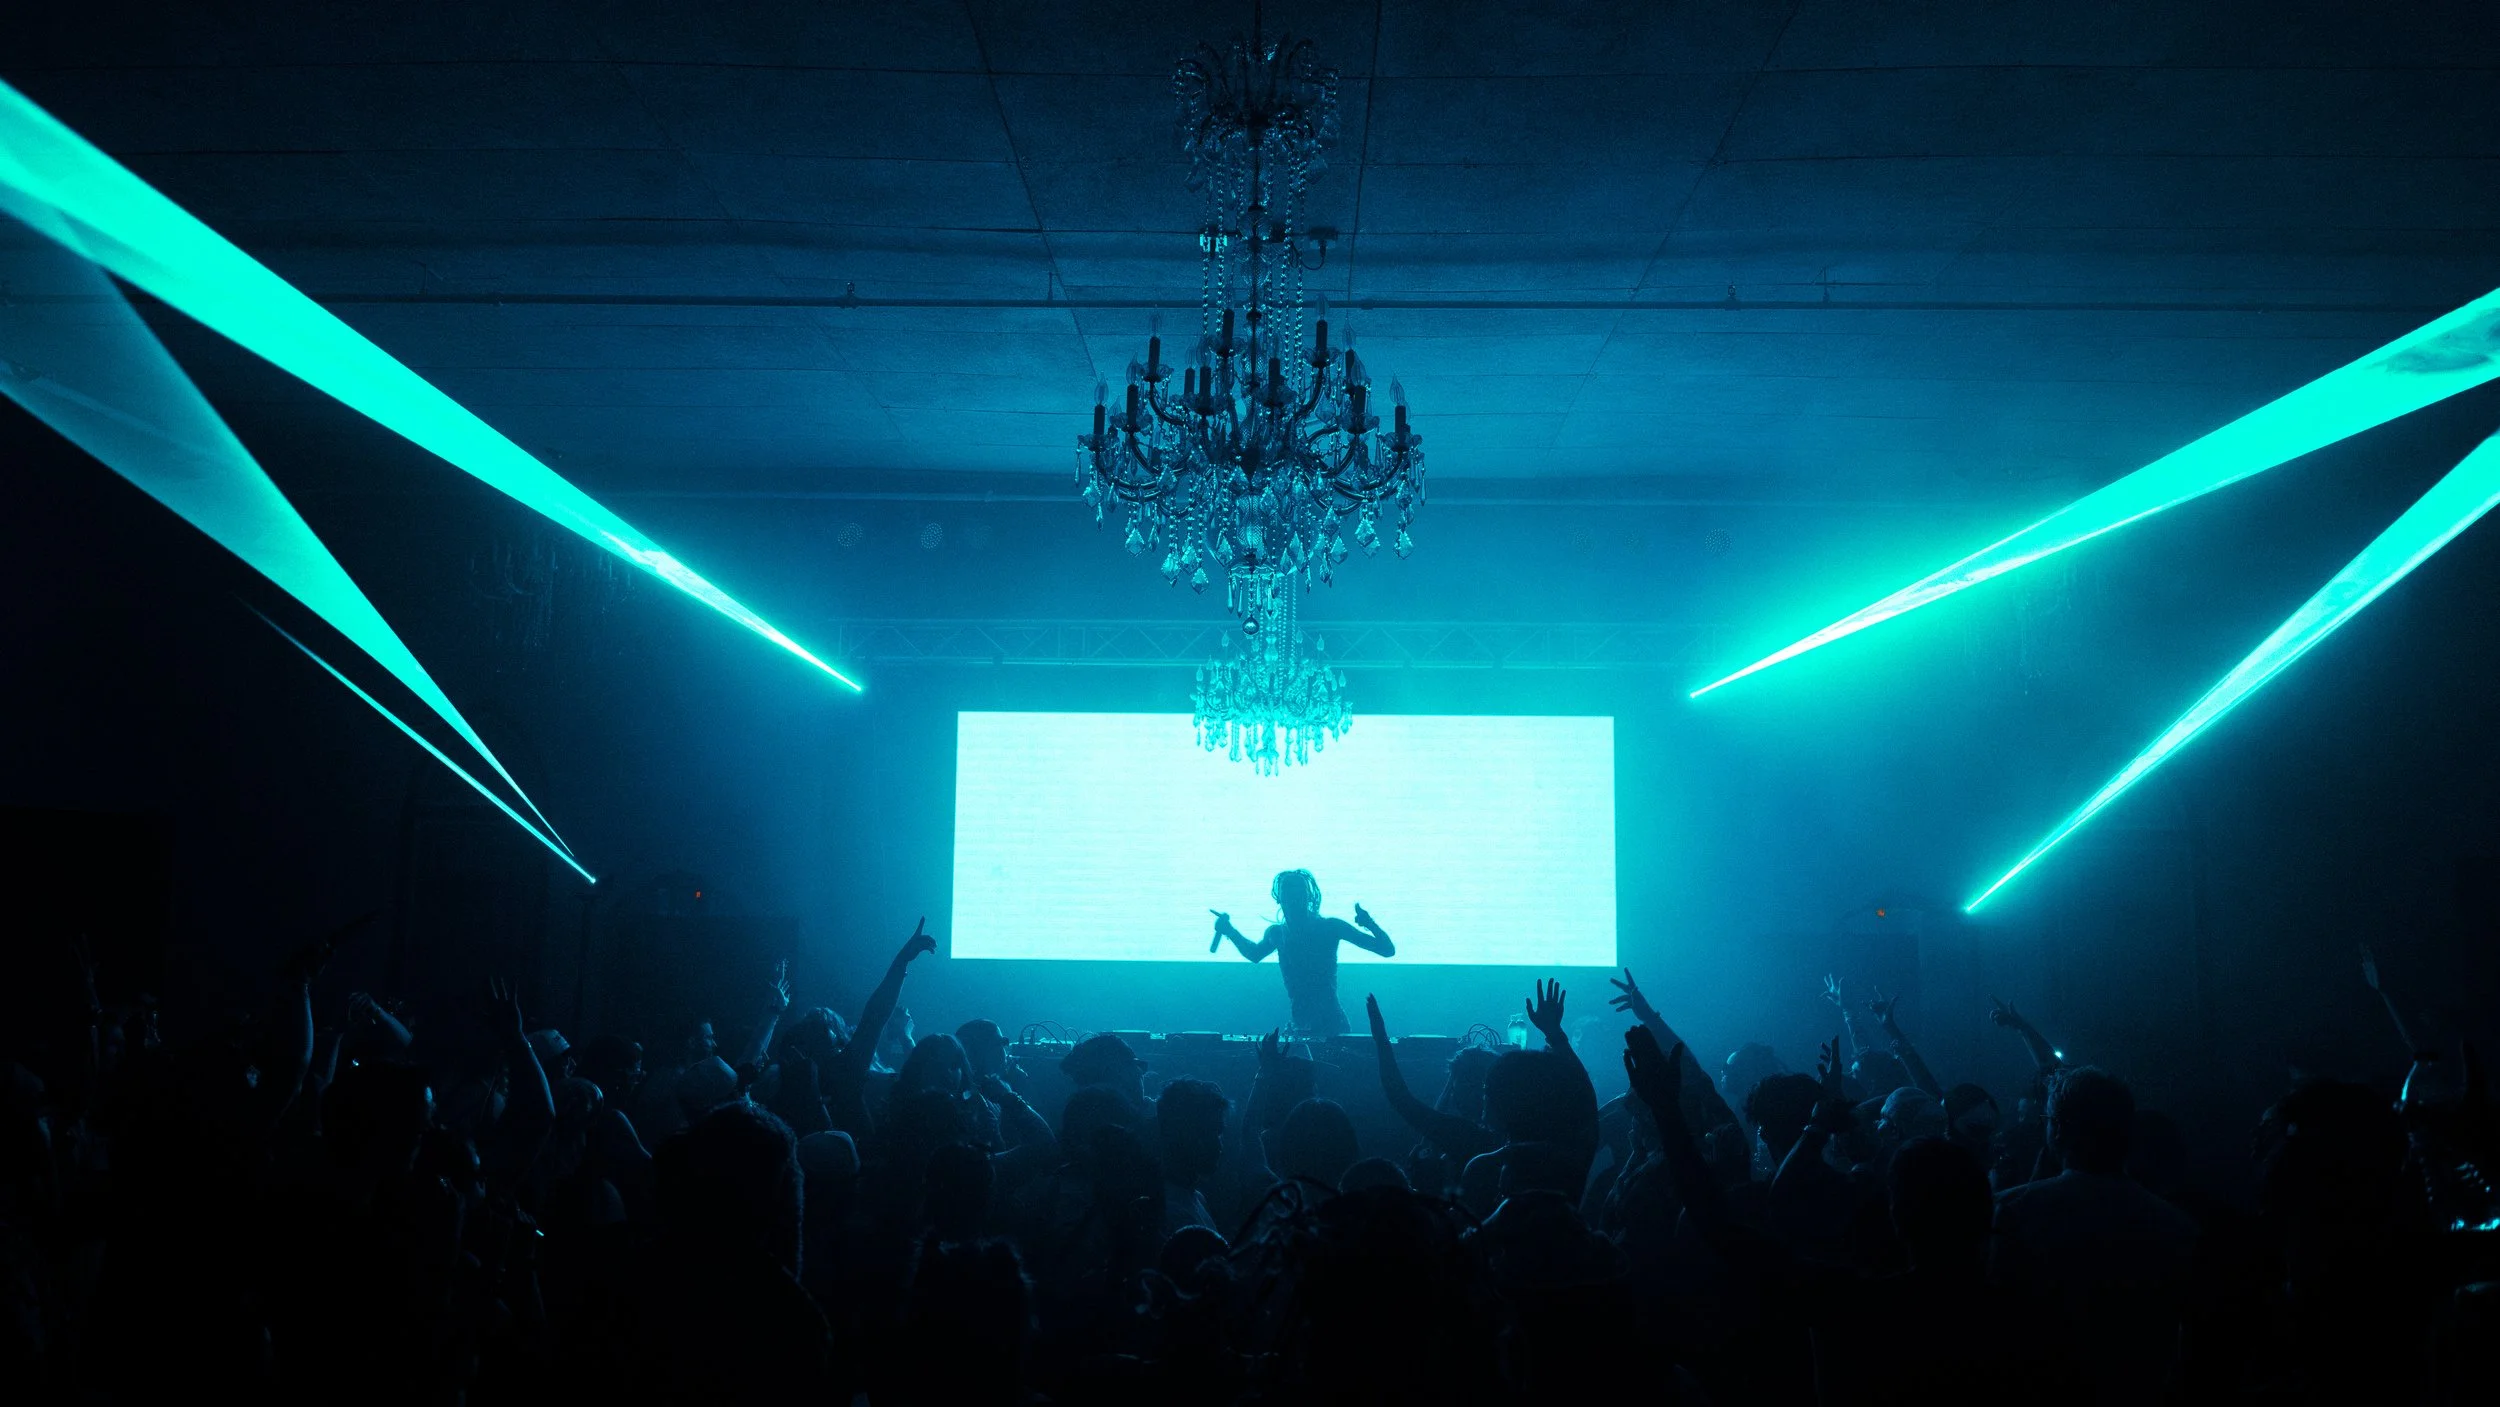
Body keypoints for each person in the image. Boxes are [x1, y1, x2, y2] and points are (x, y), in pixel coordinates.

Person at [1208, 869, 1393, 1034]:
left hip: (1331, 1024)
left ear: (1308, 896)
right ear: (1280, 898)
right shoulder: (1277, 933)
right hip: (1301, 1025)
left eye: (1297, 893)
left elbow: (1387, 950)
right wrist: (1230, 931)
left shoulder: (1329, 927)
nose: (1293, 900)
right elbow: (1254, 954)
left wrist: (1369, 923)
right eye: (1288, 893)